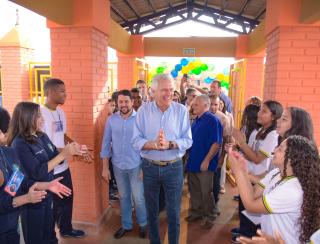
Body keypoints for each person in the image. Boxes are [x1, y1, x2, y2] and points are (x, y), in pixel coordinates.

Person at [7, 102, 82, 244]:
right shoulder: (19, 143)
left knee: (50, 234)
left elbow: (55, 155)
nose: (42, 119)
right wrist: (62, 155)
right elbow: (37, 172)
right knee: (36, 238)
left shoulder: (41, 136)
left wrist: (72, 151)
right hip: (32, 199)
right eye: (38, 116)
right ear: (27, 118)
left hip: (48, 193)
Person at [132, 74, 192, 244]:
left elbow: (188, 140)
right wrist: (152, 144)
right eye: (164, 90)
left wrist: (170, 144)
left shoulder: (181, 111)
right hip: (149, 167)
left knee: (173, 213)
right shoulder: (143, 111)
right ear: (153, 91)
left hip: (174, 168)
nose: (169, 94)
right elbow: (135, 140)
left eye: (171, 90)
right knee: (152, 211)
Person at [228, 135, 320, 244]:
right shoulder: (277, 173)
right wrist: (243, 171)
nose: (274, 150)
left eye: (280, 149)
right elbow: (253, 193)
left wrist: (238, 171)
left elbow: (250, 205)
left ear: (292, 159)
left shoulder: (292, 190)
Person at [41, 78, 90, 238]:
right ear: (49, 92)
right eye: (62, 91)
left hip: (63, 166)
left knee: (67, 198)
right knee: (51, 205)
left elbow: (62, 135)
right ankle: (50, 236)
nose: (65, 94)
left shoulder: (61, 112)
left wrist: (75, 145)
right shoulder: (40, 114)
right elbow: (44, 143)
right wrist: (70, 151)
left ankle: (66, 229)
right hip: (49, 168)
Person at [231, 100, 282, 241]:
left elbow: (257, 158)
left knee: (250, 211)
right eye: (260, 110)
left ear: (273, 116)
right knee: (244, 208)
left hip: (258, 178)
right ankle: (243, 232)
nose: (259, 113)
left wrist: (241, 142)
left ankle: (246, 235)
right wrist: (239, 149)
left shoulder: (272, 135)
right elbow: (251, 153)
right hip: (251, 175)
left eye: (264, 111)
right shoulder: (261, 130)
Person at [101, 90, 147, 239]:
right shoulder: (111, 120)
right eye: (120, 102)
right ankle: (126, 225)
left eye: (126, 101)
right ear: (117, 103)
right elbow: (106, 144)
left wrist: (144, 168)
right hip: (118, 166)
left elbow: (146, 144)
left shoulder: (140, 119)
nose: (123, 105)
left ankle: (143, 224)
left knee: (138, 197)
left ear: (132, 102)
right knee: (124, 197)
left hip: (136, 166)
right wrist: (104, 167)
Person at [185, 95, 222, 229]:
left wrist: (206, 161)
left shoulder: (213, 120)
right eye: (193, 104)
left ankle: (210, 216)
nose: (193, 106)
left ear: (205, 105)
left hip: (204, 164)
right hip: (193, 162)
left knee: (206, 192)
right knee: (194, 190)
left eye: (196, 105)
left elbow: (216, 143)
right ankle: (197, 213)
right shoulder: (196, 120)